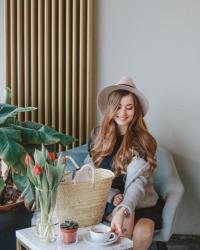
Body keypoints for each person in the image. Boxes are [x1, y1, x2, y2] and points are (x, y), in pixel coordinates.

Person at [85, 76, 165, 250]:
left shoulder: (144, 140)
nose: (123, 113)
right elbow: (90, 174)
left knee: (142, 231)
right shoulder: (97, 136)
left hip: (142, 201)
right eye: (118, 107)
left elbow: (138, 183)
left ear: (136, 111)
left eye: (129, 108)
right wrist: (112, 195)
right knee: (127, 218)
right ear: (110, 108)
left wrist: (123, 209)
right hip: (110, 201)